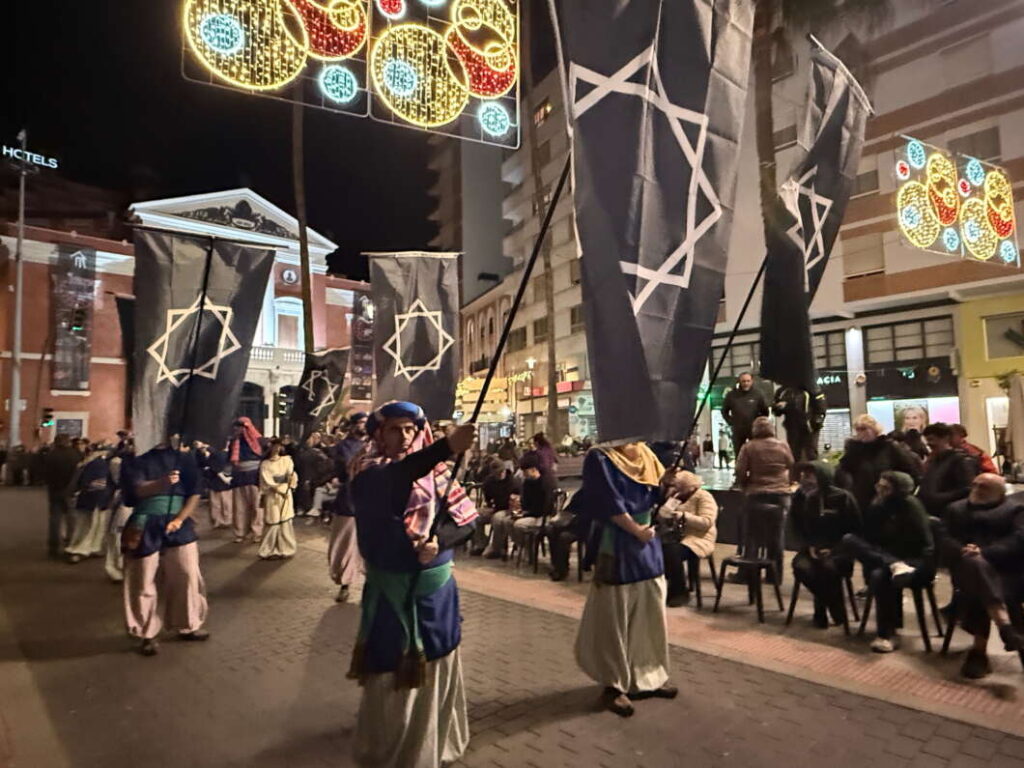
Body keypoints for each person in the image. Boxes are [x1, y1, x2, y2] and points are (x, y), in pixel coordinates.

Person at [347, 402, 477, 768]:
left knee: (438, 664)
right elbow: (396, 478)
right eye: (394, 429)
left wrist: (441, 542)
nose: (403, 436)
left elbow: (467, 522)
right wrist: (447, 446)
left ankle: (434, 745)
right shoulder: (367, 472)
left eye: (409, 429)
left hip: (437, 594)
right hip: (391, 594)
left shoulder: (438, 474)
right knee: (392, 669)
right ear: (379, 434)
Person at [574, 442, 676, 717]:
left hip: (647, 543)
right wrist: (635, 530)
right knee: (614, 616)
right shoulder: (600, 457)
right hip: (618, 542)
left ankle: (648, 675)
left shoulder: (645, 453)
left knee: (650, 610)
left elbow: (656, 496)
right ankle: (614, 684)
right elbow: (608, 502)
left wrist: (666, 483)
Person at [121, 437, 209, 656]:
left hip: (178, 522)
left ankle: (188, 623)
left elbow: (194, 492)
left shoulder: (183, 457)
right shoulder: (135, 457)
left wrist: (180, 518)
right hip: (144, 521)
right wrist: (161, 484)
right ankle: (145, 632)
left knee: (187, 573)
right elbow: (135, 491)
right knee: (142, 578)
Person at [840, 471, 934, 653]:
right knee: (849, 540)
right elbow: (868, 538)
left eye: (886, 488)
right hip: (887, 558)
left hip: (914, 562)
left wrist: (902, 560)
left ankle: (887, 634)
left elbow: (924, 545)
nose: (880, 490)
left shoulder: (911, 507)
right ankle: (892, 564)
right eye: (879, 486)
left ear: (898, 491)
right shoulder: (878, 505)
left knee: (880, 576)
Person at [941, 474, 1024, 678]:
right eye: (975, 484)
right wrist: (963, 550)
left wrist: (985, 552)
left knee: (983, 589)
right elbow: (944, 540)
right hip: (965, 568)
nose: (976, 488)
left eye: (984, 486)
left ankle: (979, 652)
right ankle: (1006, 628)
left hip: (1006, 570)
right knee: (974, 566)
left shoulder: (1014, 510)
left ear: (1000, 493)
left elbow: (1018, 540)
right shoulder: (956, 509)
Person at [789, 462, 861, 627]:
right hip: (812, 549)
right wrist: (810, 547)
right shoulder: (803, 498)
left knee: (827, 569)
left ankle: (820, 613)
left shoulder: (843, 498)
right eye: (803, 475)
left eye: (809, 475)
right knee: (802, 567)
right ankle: (836, 609)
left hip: (840, 551)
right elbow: (798, 529)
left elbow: (855, 531)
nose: (804, 479)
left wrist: (835, 549)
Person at [734, 417, 794, 583]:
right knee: (777, 537)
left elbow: (740, 471)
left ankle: (748, 574)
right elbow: (791, 464)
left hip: (756, 494)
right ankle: (774, 576)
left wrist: (745, 486)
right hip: (781, 496)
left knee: (752, 536)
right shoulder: (783, 445)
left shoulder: (749, 446)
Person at [835, 414, 922, 518]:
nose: (861, 433)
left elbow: (910, 471)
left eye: (864, 429)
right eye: (858, 429)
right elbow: (842, 471)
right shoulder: (854, 451)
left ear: (874, 429)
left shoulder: (890, 447)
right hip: (862, 500)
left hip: (888, 500)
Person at [657, 471, 718, 607]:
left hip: (699, 538)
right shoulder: (676, 496)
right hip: (677, 536)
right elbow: (663, 516)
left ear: (690, 487)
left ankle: (679, 592)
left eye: (679, 487)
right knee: (658, 549)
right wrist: (662, 515)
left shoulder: (704, 497)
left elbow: (707, 522)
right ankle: (665, 588)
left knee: (672, 553)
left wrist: (683, 516)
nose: (675, 490)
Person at [328, 412, 368, 602]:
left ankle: (372, 585)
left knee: (372, 546)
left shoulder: (377, 445)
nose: (363, 426)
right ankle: (345, 584)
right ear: (352, 426)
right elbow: (342, 472)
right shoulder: (342, 447)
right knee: (345, 545)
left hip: (373, 502)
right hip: (349, 501)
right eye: (360, 423)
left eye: (366, 423)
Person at [65, 442, 114, 564]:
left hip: (86, 498)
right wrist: (103, 498)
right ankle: (82, 548)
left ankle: (84, 547)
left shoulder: (87, 463)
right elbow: (99, 484)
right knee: (91, 525)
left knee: (84, 525)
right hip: (94, 501)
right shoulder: (100, 464)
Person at [919, 422, 978, 518]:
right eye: (927, 440)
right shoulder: (934, 460)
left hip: (950, 514)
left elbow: (967, 489)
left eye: (932, 439)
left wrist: (936, 498)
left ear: (945, 438)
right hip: (936, 512)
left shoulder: (961, 460)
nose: (929, 444)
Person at [510, 454, 558, 559]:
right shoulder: (527, 483)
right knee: (509, 522)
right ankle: (525, 548)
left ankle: (527, 550)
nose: (523, 474)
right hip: (531, 513)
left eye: (525, 471)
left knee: (518, 525)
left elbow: (546, 506)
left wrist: (527, 513)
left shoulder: (546, 483)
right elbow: (525, 502)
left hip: (543, 516)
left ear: (533, 469)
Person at [42, 434, 82, 559]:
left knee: (55, 519)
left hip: (54, 490)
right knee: (71, 519)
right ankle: (70, 545)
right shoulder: (75, 454)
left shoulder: (50, 455)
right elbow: (80, 472)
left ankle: (53, 546)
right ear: (68, 441)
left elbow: (45, 473)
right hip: (71, 490)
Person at [258, 438, 299, 560]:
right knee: (273, 521)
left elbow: (291, 474)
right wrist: (278, 490)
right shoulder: (265, 464)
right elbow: (267, 480)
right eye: (273, 446)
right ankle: (268, 550)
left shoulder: (287, 460)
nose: (276, 448)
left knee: (285, 521)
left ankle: (286, 549)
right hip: (273, 494)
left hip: (285, 492)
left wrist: (290, 482)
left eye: (278, 446)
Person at [470, 459, 520, 556]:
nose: (500, 474)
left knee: (497, 519)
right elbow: (488, 498)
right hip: (495, 507)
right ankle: (480, 543)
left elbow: (516, 501)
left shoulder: (513, 482)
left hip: (508, 509)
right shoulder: (489, 481)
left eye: (502, 472)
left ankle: (497, 548)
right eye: (497, 473)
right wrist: (489, 505)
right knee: (475, 515)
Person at [229, 417, 265, 544]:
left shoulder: (259, 440)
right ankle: (240, 532)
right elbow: (231, 459)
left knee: (256, 506)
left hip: (254, 475)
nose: (237, 429)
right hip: (239, 476)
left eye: (239, 427)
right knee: (239, 507)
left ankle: (257, 532)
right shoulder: (234, 441)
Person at [772, 386, 827, 463]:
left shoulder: (812, 388)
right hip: (792, 427)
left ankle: (811, 472)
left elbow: (821, 408)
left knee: (810, 454)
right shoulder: (783, 391)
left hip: (809, 427)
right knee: (794, 454)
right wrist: (778, 407)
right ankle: (796, 472)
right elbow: (776, 410)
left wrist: (815, 423)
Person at [722, 372, 770, 460]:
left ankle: (756, 471)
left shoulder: (758, 394)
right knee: (739, 454)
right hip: (738, 430)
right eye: (743, 381)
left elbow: (765, 412)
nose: (746, 383)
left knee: (756, 452)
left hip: (754, 430)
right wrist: (731, 422)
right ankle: (740, 472)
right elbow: (724, 411)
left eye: (748, 381)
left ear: (752, 381)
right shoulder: (731, 395)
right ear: (739, 382)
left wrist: (760, 424)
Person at [197, 442, 233, 529]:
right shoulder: (228, 455)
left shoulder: (215, 455)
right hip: (224, 482)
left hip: (216, 482)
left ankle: (219, 521)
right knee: (225, 503)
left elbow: (211, 467)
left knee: (217, 503)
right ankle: (226, 520)